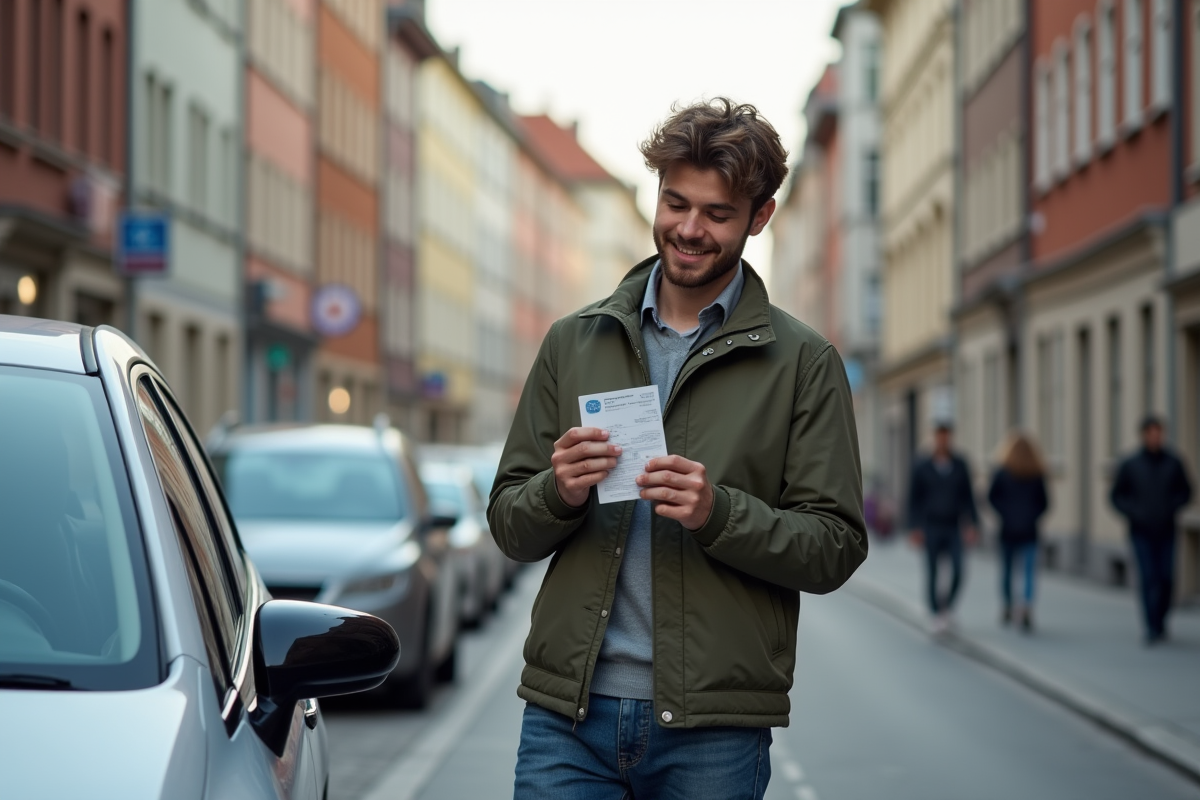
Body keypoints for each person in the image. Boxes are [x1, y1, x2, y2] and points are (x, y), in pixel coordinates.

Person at [488, 98, 869, 800]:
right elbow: (510, 524)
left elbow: (834, 546)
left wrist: (717, 513)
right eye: (675, 203)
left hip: (712, 730)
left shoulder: (804, 362)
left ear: (761, 217)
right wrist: (558, 490)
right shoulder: (575, 340)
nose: (689, 230)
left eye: (717, 214)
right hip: (567, 718)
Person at [1109, 415, 1192, 645]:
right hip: (1141, 530)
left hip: (1166, 530)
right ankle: (1151, 626)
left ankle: (1162, 619)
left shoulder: (1173, 462)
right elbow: (1116, 496)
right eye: (1152, 433)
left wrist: (1172, 507)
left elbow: (1186, 491)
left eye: (1159, 433)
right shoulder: (1131, 464)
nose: (1156, 437)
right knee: (1148, 577)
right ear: (1144, 435)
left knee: (1166, 578)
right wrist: (1133, 511)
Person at [907, 422, 978, 634]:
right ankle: (935, 612)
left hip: (953, 525)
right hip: (931, 525)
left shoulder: (960, 464)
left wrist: (972, 523)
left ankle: (947, 607)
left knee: (958, 569)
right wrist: (914, 527)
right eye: (940, 436)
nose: (943, 440)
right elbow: (913, 499)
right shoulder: (922, 465)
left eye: (946, 436)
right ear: (934, 437)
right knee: (932, 571)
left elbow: (968, 496)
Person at [987, 431, 1049, 633]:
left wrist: (1005, 514)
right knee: (1029, 572)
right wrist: (1031, 516)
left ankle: (1007, 604)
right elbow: (1045, 503)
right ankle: (1025, 606)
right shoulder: (1036, 473)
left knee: (1007, 570)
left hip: (1008, 530)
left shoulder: (1002, 472)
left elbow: (991, 498)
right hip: (1029, 530)